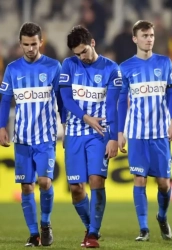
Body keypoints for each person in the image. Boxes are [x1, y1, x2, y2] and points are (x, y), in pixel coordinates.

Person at [0, 22, 63, 247]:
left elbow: (61, 99)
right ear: (20, 44)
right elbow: (5, 99)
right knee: (27, 186)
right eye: (26, 44)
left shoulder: (54, 67)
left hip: (46, 137)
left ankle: (45, 223)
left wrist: (65, 124)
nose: (30, 48)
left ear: (41, 42)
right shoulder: (12, 69)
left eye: (34, 44)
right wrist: (1, 127)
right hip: (22, 138)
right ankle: (34, 234)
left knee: (45, 181)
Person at [59, 25, 121, 248]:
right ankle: (90, 226)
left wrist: (113, 137)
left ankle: (93, 234)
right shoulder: (68, 65)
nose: (81, 57)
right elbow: (66, 100)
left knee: (96, 180)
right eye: (77, 54)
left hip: (99, 133)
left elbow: (113, 106)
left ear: (92, 43)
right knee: (76, 189)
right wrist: (85, 117)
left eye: (84, 51)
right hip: (75, 132)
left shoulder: (112, 69)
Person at [118, 20, 172, 241]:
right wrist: (120, 132)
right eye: (144, 35)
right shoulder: (125, 67)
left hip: (160, 132)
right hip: (137, 133)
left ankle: (161, 217)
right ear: (135, 38)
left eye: (151, 35)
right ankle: (143, 228)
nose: (149, 39)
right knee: (139, 179)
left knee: (164, 183)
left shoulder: (164, 63)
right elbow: (122, 101)